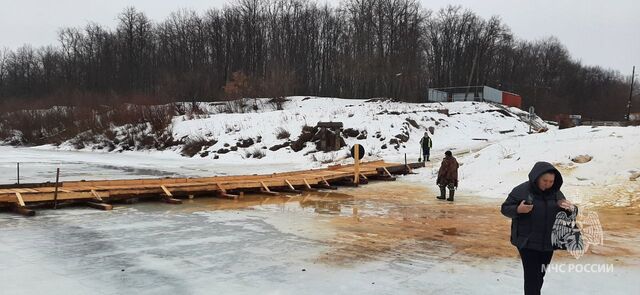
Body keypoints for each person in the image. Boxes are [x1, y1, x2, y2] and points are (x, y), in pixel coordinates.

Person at [501, 162, 574, 295]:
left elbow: (568, 214)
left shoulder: (557, 193)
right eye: (545, 180)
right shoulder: (521, 190)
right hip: (527, 242)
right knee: (532, 277)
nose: (548, 184)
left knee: (540, 275)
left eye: (551, 181)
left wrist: (570, 209)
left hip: (548, 242)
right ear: (536, 178)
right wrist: (518, 209)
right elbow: (505, 209)